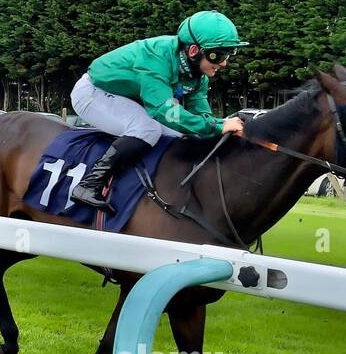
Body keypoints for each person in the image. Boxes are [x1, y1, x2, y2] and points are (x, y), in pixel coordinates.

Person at [68, 11, 248, 213]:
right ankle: (89, 185)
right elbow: (165, 111)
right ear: (194, 50)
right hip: (93, 92)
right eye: (219, 54)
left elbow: (200, 114)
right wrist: (217, 125)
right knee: (147, 129)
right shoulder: (156, 57)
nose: (224, 63)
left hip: (128, 98)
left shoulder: (198, 75)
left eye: (230, 53)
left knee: (183, 133)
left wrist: (218, 125)